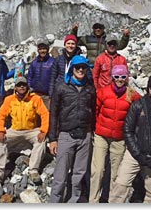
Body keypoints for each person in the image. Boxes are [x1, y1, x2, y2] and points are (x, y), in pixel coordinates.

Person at [109, 74, 151, 203]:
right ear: (148, 88)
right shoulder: (137, 105)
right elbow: (128, 130)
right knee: (120, 185)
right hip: (135, 154)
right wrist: (137, 153)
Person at [89, 65, 142, 203]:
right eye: (117, 76)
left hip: (119, 138)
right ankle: (93, 201)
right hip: (101, 135)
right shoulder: (103, 92)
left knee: (115, 174)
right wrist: (95, 127)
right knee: (98, 170)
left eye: (123, 76)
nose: (120, 79)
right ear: (112, 77)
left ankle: (112, 202)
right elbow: (95, 110)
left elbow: (143, 107)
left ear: (127, 78)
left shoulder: (132, 95)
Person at [49, 55, 96, 203]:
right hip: (66, 135)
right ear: (72, 69)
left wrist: (92, 132)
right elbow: (54, 113)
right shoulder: (62, 86)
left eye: (83, 67)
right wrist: (53, 139)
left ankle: (73, 202)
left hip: (85, 135)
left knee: (79, 174)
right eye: (77, 67)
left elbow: (93, 111)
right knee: (60, 175)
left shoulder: (90, 88)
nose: (81, 70)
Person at [0, 77, 49, 185]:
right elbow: (0, 116)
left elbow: (45, 114)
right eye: (19, 85)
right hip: (14, 130)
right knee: (0, 140)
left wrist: (43, 131)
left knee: (41, 141)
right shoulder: (9, 99)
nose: (22, 87)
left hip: (31, 130)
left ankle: (33, 171)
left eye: (24, 85)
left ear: (27, 86)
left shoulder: (35, 99)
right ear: (15, 87)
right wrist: (0, 131)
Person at [27, 37, 55, 110]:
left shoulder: (53, 62)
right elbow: (29, 77)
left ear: (48, 49)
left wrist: (52, 95)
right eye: (40, 49)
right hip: (35, 94)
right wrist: (29, 89)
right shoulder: (34, 63)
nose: (42, 51)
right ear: (38, 50)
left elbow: (56, 79)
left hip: (47, 96)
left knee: (47, 117)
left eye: (44, 48)